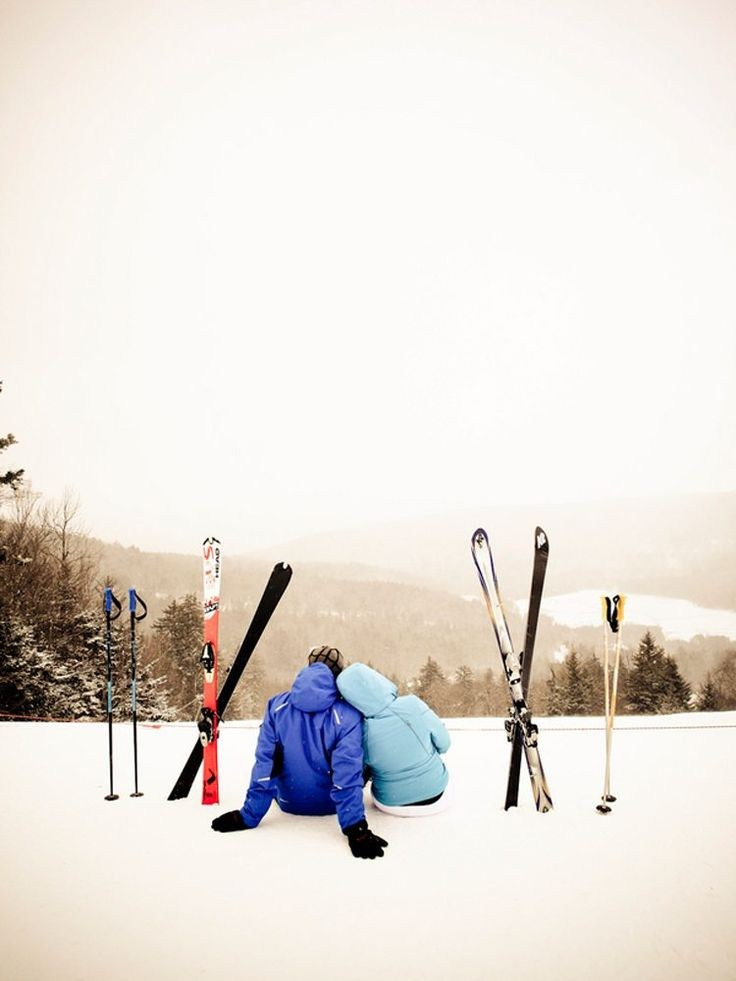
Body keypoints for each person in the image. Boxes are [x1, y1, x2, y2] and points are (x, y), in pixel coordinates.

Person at [211, 646, 388, 859]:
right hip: (331, 804)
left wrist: (248, 816)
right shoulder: (348, 714)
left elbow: (265, 764)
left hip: (288, 802)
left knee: (276, 757)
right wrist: (355, 828)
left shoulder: (276, 707)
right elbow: (347, 772)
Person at [336, 662, 451, 815]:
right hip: (436, 793)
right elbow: (445, 744)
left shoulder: (360, 731)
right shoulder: (413, 705)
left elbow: (362, 772)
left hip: (390, 803)